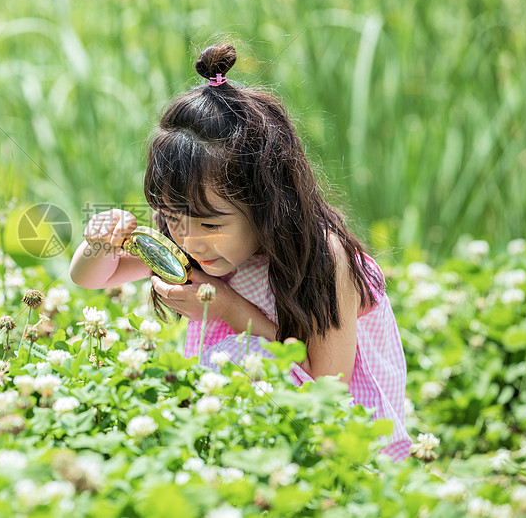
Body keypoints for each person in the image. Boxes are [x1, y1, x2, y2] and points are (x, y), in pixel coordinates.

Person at [69, 43, 411, 461]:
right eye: (172, 217)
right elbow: (91, 278)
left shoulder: (323, 257)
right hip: (245, 432)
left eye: (211, 224)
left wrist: (230, 310)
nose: (189, 241)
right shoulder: (185, 235)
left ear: (269, 204)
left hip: (333, 445)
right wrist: (98, 244)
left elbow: (327, 388)